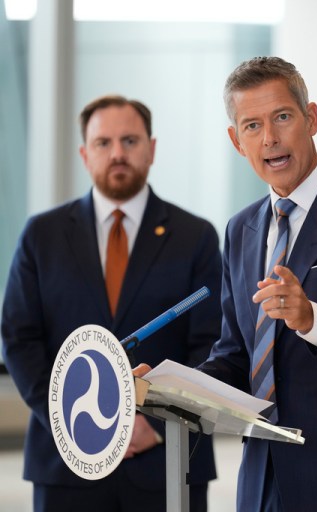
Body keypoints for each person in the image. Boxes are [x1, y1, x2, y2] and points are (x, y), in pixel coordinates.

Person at [136, 56, 317, 511]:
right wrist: (168, 388)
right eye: (252, 126)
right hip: (263, 479)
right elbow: (235, 358)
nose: (269, 138)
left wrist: (312, 319)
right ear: (236, 140)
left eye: (283, 117)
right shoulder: (241, 229)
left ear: (311, 119)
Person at [1, 95, 222, 512]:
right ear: (85, 154)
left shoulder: (196, 237)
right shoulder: (41, 236)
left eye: (130, 140)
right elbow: (18, 340)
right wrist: (76, 427)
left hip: (168, 463)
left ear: (151, 149)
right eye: (103, 143)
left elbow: (212, 345)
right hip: (65, 464)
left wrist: (157, 424)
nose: (117, 153)